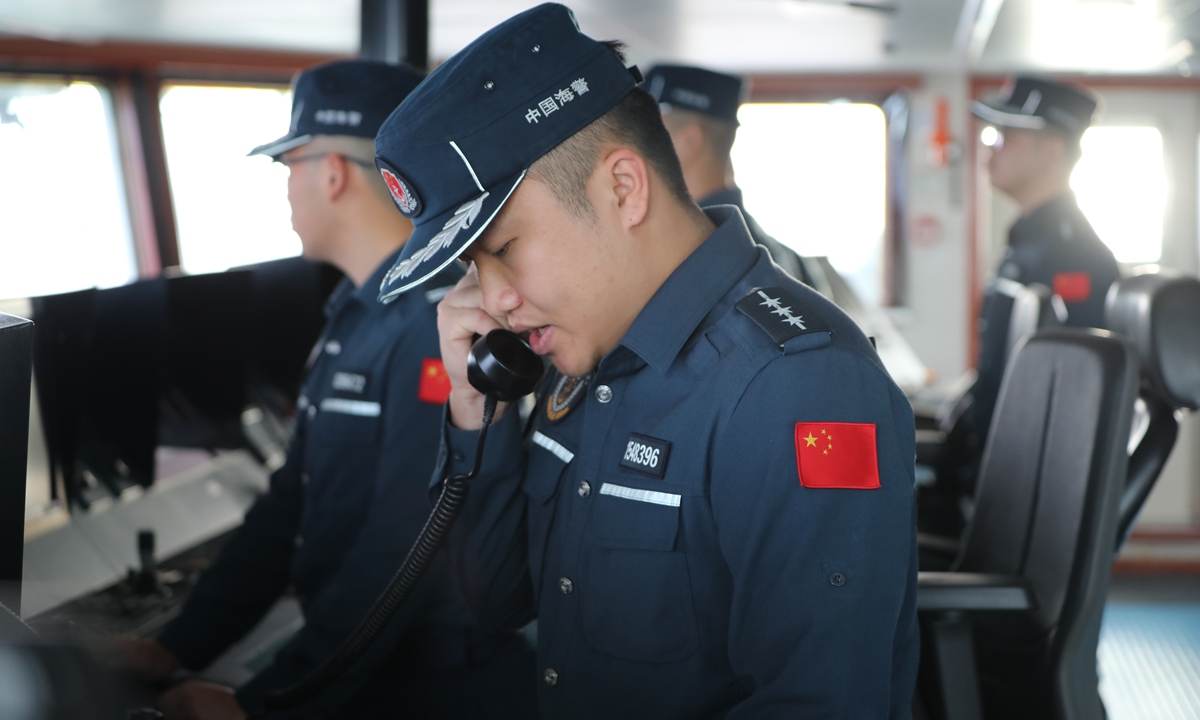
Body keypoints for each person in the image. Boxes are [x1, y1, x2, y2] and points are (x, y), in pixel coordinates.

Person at [373, 4, 918, 718]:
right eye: (474, 267)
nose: (494, 300)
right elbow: (499, 599)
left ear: (623, 190)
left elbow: (822, 702)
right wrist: (477, 415)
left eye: (502, 250)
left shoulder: (796, 386)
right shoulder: (581, 352)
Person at [112, 60, 536, 720]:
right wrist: (176, 647)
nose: (286, 191)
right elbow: (290, 503)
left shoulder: (441, 322)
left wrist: (263, 703)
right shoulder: (353, 315)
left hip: (430, 688)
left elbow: (401, 548)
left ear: (332, 173)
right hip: (359, 666)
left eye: (290, 166)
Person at [966, 77, 1120, 448]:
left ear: (1051, 150)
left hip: (1020, 456)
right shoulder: (1030, 240)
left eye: (1006, 138)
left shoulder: (1073, 256)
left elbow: (1068, 393)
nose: (990, 151)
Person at [645, 64, 815, 286]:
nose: (637, 145)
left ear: (689, 141)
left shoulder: (695, 250)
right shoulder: (769, 251)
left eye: (649, 133)